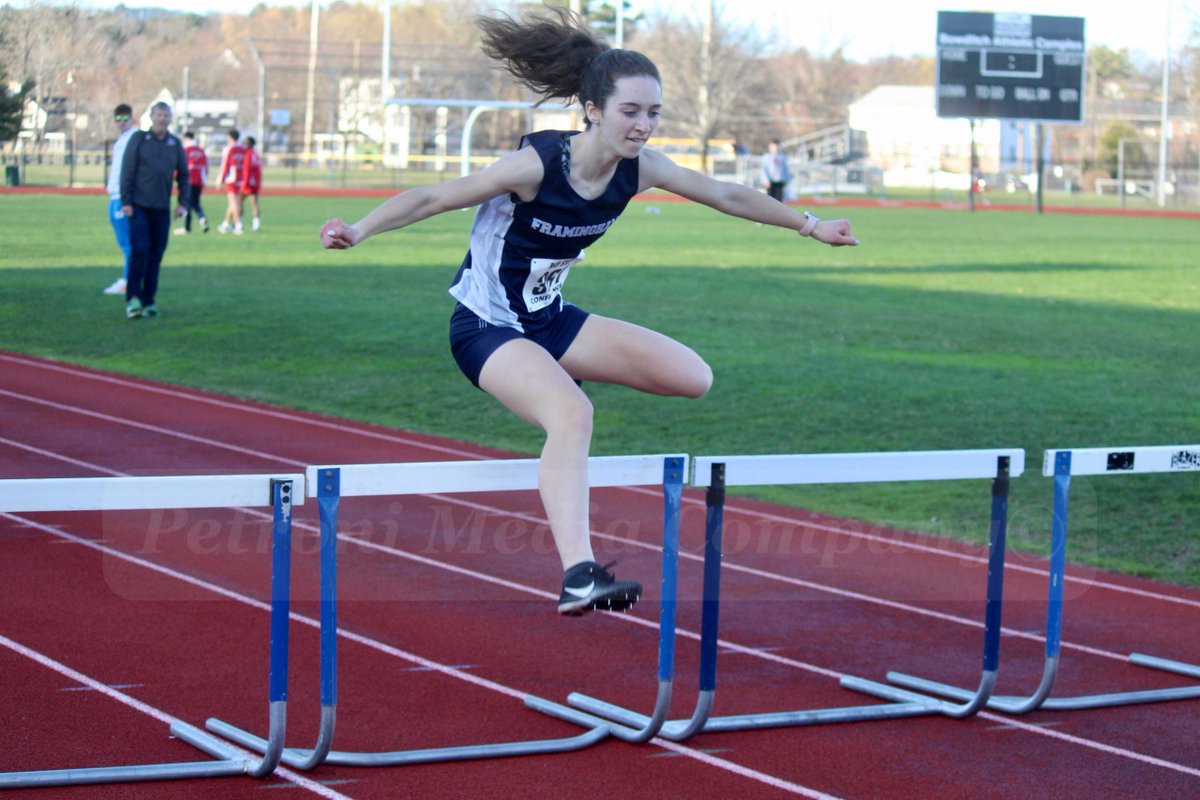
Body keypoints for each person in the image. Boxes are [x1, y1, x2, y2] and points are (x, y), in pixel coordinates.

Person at [319, 7, 858, 617]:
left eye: (654, 112)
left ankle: (548, 381)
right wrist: (359, 230)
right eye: (631, 111)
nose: (644, 125)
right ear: (594, 110)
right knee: (572, 414)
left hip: (549, 321)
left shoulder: (642, 168)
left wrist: (812, 226)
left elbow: (727, 194)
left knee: (693, 377)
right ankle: (579, 573)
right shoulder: (536, 167)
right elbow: (433, 197)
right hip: (487, 328)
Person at [119, 101, 189, 319]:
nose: (162, 119)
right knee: (139, 250)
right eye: (158, 115)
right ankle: (133, 298)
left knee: (156, 254)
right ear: (151, 117)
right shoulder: (139, 139)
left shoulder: (174, 144)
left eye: (165, 115)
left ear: (170, 119)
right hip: (138, 206)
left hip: (161, 208)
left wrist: (183, 203)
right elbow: (127, 170)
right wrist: (126, 200)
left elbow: (184, 176)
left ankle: (149, 300)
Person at [102, 104, 137, 295]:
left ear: (131, 118)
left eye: (125, 118)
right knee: (124, 242)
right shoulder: (121, 139)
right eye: (118, 119)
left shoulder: (134, 137)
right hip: (114, 196)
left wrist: (127, 197)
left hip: (123, 197)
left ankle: (128, 281)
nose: (122, 122)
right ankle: (130, 278)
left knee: (128, 243)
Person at [175, 131, 209, 234]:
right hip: (199, 180)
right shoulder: (201, 150)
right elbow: (206, 166)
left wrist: (176, 176)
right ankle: (202, 218)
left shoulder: (185, 150)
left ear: (186, 138)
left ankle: (187, 227)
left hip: (188, 180)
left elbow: (180, 165)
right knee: (196, 202)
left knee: (187, 203)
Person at [216, 128, 246, 234]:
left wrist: (221, 180)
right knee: (234, 202)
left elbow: (225, 165)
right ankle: (226, 224)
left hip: (231, 179)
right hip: (240, 178)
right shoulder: (243, 149)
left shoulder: (229, 148)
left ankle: (238, 225)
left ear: (230, 137)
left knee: (233, 203)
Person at [240, 135, 262, 231]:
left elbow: (246, 170)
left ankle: (239, 222)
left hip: (247, 183)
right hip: (254, 183)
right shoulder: (256, 155)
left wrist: (244, 183)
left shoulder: (248, 154)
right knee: (254, 203)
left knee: (238, 202)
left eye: (246, 142)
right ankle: (256, 224)